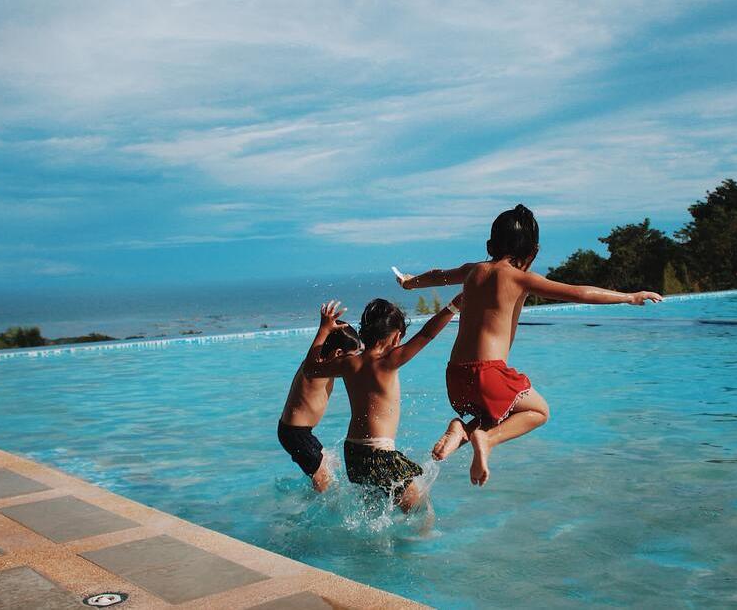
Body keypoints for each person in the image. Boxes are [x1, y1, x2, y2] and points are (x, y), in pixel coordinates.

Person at [394, 204, 662, 486]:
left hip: (456, 376)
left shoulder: (473, 271)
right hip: (489, 373)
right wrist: (630, 297)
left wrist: (410, 283)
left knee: (499, 411)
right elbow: (580, 293)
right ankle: (484, 438)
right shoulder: (520, 278)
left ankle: (461, 430)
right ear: (532, 252)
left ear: (490, 245)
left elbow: (438, 276)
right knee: (538, 411)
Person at [304, 295, 462, 513]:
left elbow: (310, 369)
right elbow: (427, 334)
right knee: (420, 509)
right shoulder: (388, 362)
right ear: (396, 338)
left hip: (353, 453)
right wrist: (452, 307)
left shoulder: (349, 363)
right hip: (379, 454)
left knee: (373, 510)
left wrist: (323, 330)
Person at [278, 300, 362, 492]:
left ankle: (311, 496)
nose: (356, 360)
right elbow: (313, 359)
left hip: (300, 432)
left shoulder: (326, 364)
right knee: (323, 481)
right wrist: (323, 329)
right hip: (294, 433)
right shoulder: (316, 367)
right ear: (339, 353)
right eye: (354, 355)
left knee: (332, 464)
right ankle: (315, 511)